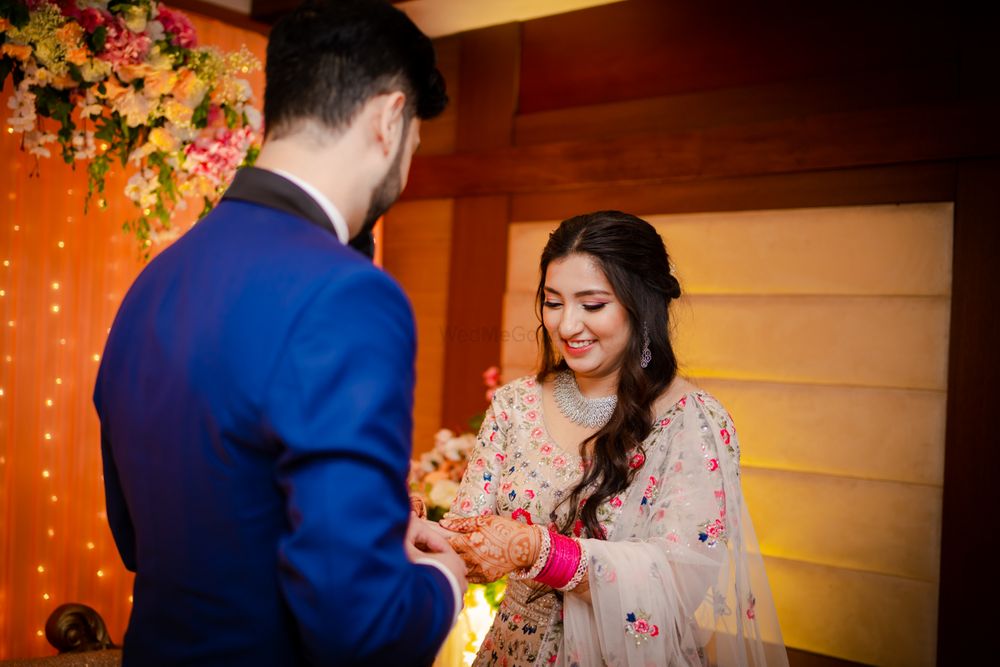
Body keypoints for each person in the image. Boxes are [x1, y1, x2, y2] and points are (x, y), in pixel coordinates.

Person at [93, 1, 466, 665]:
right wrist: (441, 583)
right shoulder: (348, 292)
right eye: (413, 145)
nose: (404, 174)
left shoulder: (156, 278)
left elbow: (136, 536)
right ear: (388, 119)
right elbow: (361, 626)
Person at [440, 211, 788, 666]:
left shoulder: (691, 421)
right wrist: (409, 528)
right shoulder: (514, 405)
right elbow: (468, 534)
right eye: (553, 302)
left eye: (592, 304)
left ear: (641, 306)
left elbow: (678, 586)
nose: (566, 326)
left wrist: (540, 552)